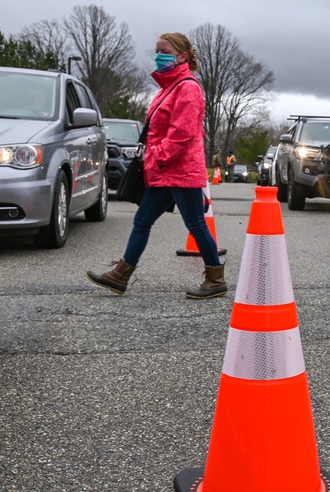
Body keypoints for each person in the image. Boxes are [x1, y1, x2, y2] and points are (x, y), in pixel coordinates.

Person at [86, 33, 227, 299]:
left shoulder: (187, 87)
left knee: (196, 224)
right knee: (142, 221)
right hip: (165, 172)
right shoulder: (169, 88)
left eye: (165, 50)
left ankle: (215, 278)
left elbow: (181, 134)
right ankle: (120, 275)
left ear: (183, 56)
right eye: (157, 50)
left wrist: (156, 156)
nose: (159, 55)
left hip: (180, 171)